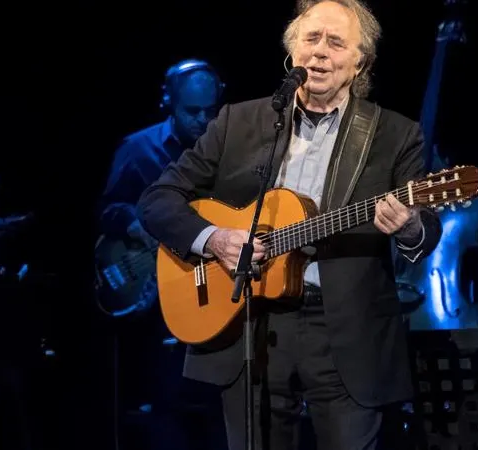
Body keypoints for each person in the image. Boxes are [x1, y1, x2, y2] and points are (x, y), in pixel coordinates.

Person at [136, 1, 443, 449]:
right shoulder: (237, 122)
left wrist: (410, 227)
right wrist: (214, 239)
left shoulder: (395, 134)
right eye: (310, 39)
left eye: (335, 42)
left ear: (361, 62)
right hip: (249, 325)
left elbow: (426, 230)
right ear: (291, 50)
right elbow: (157, 200)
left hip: (346, 332)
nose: (319, 53)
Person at [96, 59, 227, 449]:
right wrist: (135, 225)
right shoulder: (139, 149)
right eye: (192, 111)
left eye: (210, 110)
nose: (203, 120)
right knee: (168, 405)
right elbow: (106, 209)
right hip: (162, 300)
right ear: (168, 102)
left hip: (215, 293)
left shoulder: (230, 150)